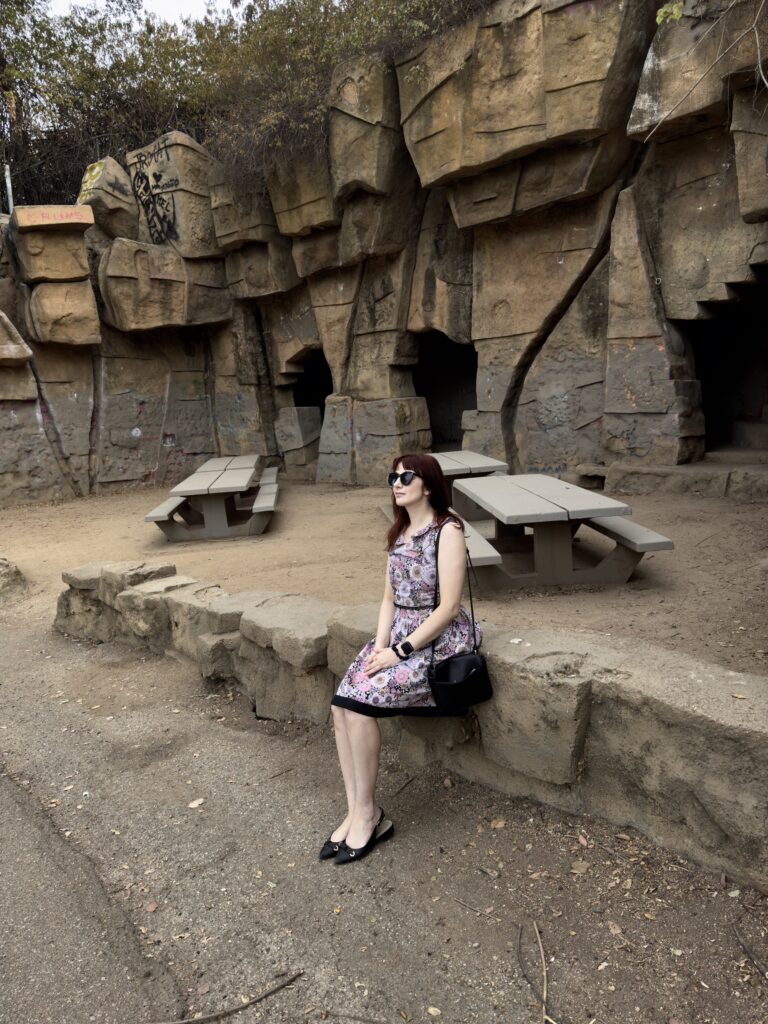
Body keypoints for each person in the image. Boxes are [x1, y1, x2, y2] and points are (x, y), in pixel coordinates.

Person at [321, 453, 482, 865]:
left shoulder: (448, 529)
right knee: (341, 706)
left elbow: (447, 607)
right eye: (393, 476)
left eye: (405, 476)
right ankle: (358, 810)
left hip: (433, 641)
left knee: (358, 710)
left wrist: (400, 651)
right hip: (395, 638)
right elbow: (388, 598)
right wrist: (378, 648)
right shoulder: (399, 531)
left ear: (427, 484)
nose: (396, 482)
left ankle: (369, 814)